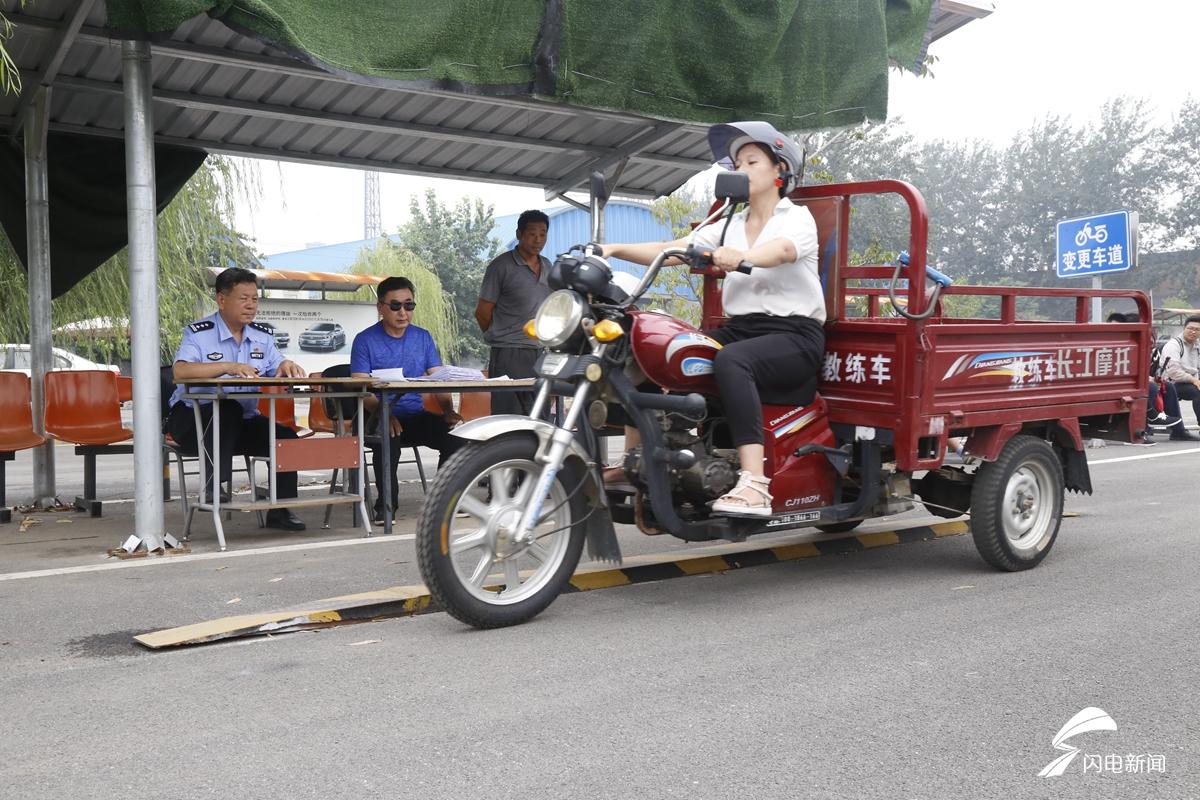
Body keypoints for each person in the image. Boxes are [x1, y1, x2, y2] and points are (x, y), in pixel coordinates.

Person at [602, 121, 824, 516]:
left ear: (780, 172)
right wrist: (613, 248)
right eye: (737, 163)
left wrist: (745, 258)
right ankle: (636, 460)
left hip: (794, 337)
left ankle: (755, 483)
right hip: (742, 330)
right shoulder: (728, 224)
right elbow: (673, 249)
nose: (741, 169)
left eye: (752, 161)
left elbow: (783, 251)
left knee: (732, 360)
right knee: (660, 352)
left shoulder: (796, 218)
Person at [167, 267, 308, 531]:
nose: (251, 305)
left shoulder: (262, 337)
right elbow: (181, 370)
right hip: (192, 422)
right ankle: (213, 487)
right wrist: (229, 366)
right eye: (243, 298)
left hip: (241, 421)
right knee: (227, 408)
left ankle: (281, 510)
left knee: (285, 437)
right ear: (221, 300)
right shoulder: (198, 333)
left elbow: (277, 365)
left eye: (254, 299)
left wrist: (287, 365)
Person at [352, 276, 465, 523]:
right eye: (395, 306)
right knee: (387, 437)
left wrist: (448, 410)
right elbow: (361, 388)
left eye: (409, 305)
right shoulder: (364, 340)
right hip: (377, 416)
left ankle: (444, 501)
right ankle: (386, 506)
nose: (403, 313)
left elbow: (439, 380)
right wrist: (385, 413)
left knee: (457, 437)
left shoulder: (423, 337)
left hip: (414, 415)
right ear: (380, 307)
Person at [475, 209, 552, 414]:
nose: (538, 240)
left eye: (543, 234)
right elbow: (482, 312)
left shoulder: (548, 266)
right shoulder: (501, 266)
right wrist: (500, 337)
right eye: (532, 234)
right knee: (508, 416)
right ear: (519, 234)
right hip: (508, 353)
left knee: (541, 416)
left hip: (540, 351)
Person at [1151, 314, 1200, 441]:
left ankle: (1178, 431)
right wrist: (1194, 380)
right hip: (1167, 384)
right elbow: (1174, 372)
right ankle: (1179, 432)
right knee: (1197, 392)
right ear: (1184, 328)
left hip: (1186, 382)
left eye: (1197, 329)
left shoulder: (1197, 346)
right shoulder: (1174, 345)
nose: (1193, 332)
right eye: (1190, 328)